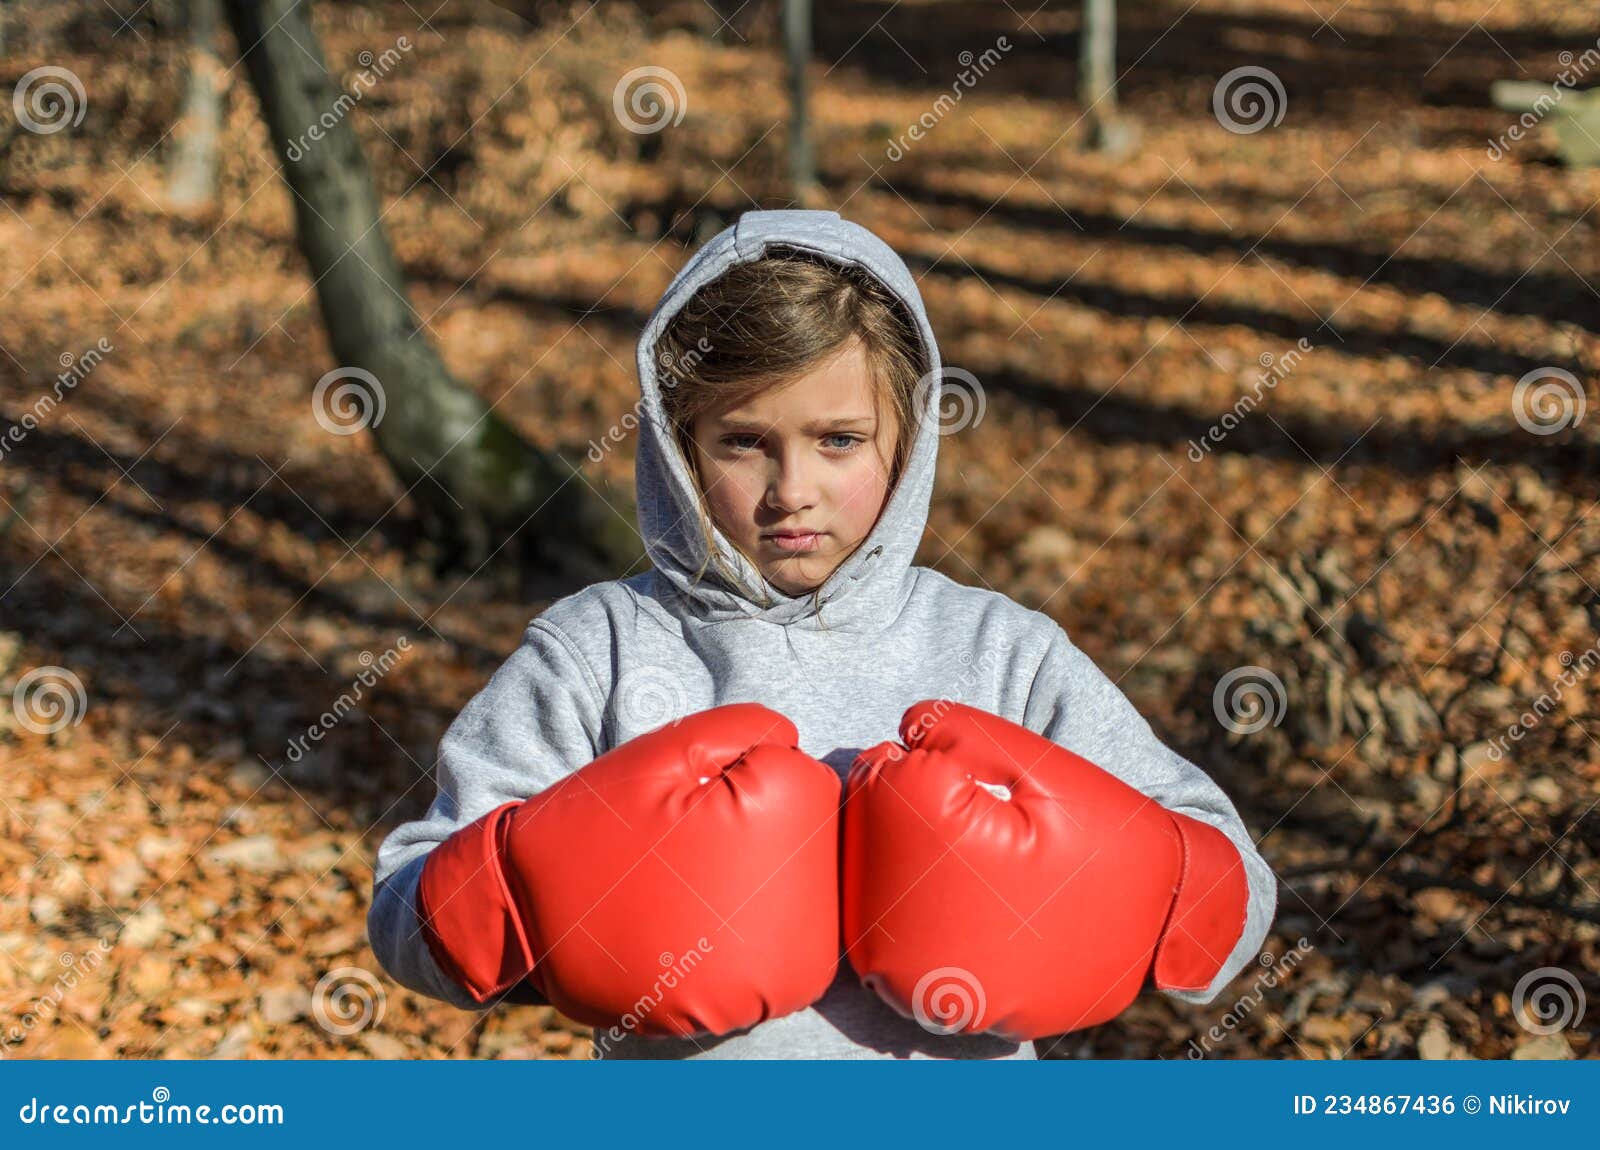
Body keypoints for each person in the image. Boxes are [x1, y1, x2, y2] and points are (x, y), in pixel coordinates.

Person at [367, 209, 1278, 1059]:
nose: (791, 488)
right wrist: (534, 895)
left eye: (839, 439)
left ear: (907, 440)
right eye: (743, 442)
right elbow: (408, 915)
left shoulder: (1002, 652)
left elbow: (1232, 892)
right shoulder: (598, 649)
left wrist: (1140, 892)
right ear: (680, 445)